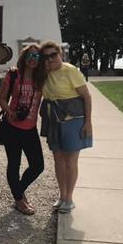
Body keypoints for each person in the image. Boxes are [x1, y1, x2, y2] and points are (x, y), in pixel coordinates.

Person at [38, 41, 93, 214]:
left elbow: (86, 96)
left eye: (53, 55)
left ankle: (69, 198)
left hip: (73, 120)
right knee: (58, 160)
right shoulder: (44, 74)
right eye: (46, 56)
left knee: (71, 160)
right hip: (54, 120)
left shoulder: (70, 71)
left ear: (60, 54)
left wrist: (88, 122)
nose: (50, 59)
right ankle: (62, 196)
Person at [0, 43, 44, 215]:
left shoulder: (41, 78)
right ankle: (18, 200)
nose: (33, 59)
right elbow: (2, 99)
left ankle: (19, 191)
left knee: (38, 165)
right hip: (12, 127)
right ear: (24, 57)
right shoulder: (14, 74)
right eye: (30, 56)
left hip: (30, 128)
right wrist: (10, 111)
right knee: (14, 164)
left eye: (37, 57)